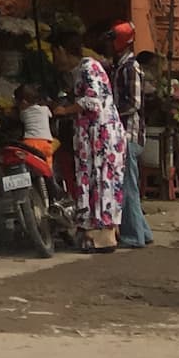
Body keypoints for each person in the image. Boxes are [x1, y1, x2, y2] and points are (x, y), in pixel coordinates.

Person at [52, 29, 128, 252]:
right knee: (93, 182)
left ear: (62, 51)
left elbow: (92, 101)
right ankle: (94, 235)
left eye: (55, 53)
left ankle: (104, 237)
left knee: (102, 183)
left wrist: (65, 110)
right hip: (90, 138)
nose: (55, 59)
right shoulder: (80, 71)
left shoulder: (89, 67)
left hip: (101, 137)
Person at [106, 23, 153, 248]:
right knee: (128, 184)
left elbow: (134, 103)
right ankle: (143, 232)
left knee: (127, 187)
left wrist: (110, 113)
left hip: (129, 135)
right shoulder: (120, 66)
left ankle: (133, 237)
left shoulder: (130, 68)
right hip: (123, 134)